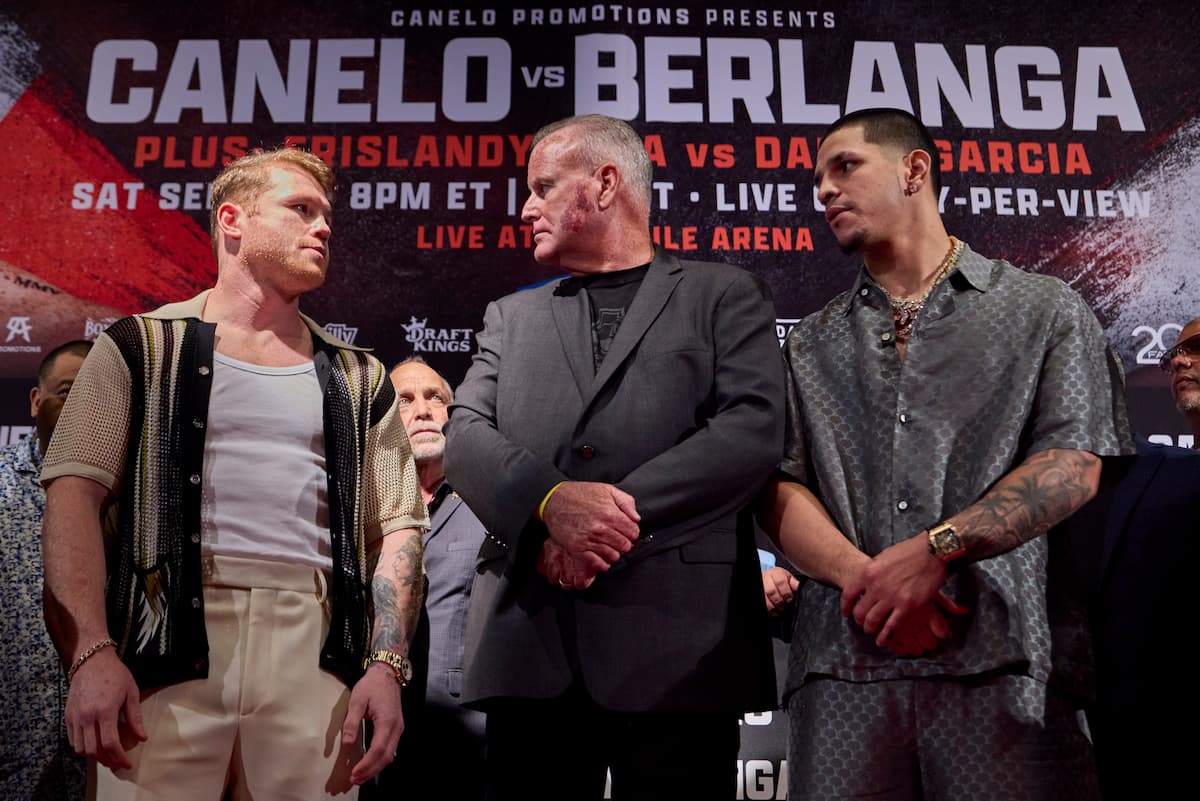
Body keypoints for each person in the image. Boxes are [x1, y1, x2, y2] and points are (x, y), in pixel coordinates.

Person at [759, 107, 1134, 801]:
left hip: (1005, 665)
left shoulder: (1044, 309)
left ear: (914, 169)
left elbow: (1072, 465)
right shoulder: (807, 344)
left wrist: (936, 550)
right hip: (843, 673)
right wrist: (870, 581)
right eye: (816, 180)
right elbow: (778, 489)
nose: (825, 191)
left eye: (845, 166)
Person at [39, 147, 429, 801]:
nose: (324, 226)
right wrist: (92, 653)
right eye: (301, 209)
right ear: (233, 220)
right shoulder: (139, 347)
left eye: (328, 214)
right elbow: (73, 497)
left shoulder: (360, 376)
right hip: (161, 653)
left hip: (316, 657)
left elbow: (400, 528)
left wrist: (387, 665)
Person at [442, 113, 784, 800]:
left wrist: (602, 518)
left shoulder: (723, 295)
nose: (525, 207)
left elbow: (753, 427)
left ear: (604, 184)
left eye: (541, 187)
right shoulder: (510, 316)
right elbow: (464, 437)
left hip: (683, 651)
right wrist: (549, 503)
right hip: (532, 644)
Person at [1069, 317, 1200, 800]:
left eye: (1199, 347)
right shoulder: (1135, 471)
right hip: (1136, 745)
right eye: (1175, 355)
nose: (1180, 361)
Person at [370, 357, 486, 800]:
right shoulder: (359, 510)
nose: (422, 410)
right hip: (367, 740)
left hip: (468, 752)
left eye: (434, 397)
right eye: (404, 400)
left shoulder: (491, 505)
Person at [1, 340, 91, 801]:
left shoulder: (144, 503)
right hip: (12, 746)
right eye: (66, 391)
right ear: (36, 400)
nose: (79, 408)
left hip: (107, 749)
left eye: (93, 394)